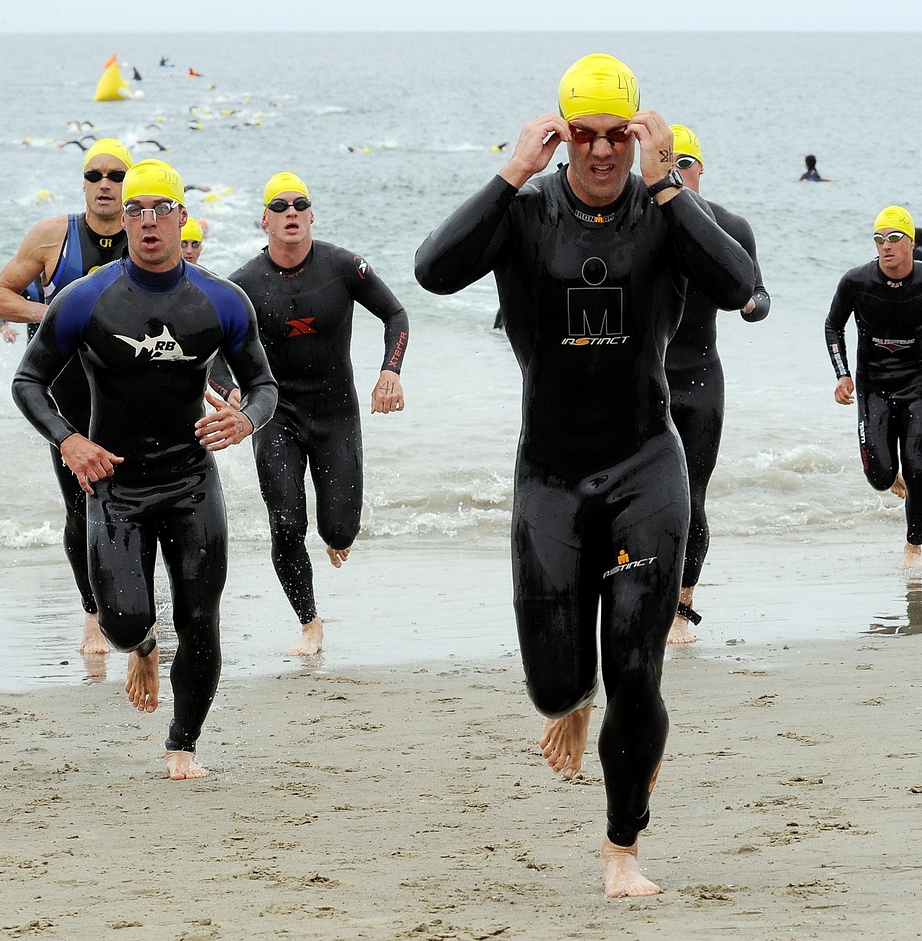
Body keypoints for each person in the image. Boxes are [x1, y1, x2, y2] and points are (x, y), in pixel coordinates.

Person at [414, 53, 753, 898]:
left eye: (617, 134)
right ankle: (573, 699)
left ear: (636, 131)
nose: (602, 152)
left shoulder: (666, 211)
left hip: (645, 465)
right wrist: (509, 171)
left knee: (636, 667)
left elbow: (742, 284)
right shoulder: (526, 214)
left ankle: (621, 849)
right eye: (584, 135)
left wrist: (668, 180)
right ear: (562, 135)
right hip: (551, 476)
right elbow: (431, 270)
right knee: (555, 682)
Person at [12, 158, 278, 779]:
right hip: (116, 484)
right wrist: (69, 440)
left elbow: (263, 384)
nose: (148, 222)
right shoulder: (87, 299)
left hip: (190, 481)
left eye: (161, 210)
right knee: (125, 620)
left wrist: (246, 420)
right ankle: (143, 649)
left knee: (200, 618)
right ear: (123, 220)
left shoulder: (221, 300)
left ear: (182, 218)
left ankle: (182, 747)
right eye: (136, 210)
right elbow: (29, 380)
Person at [218, 172, 410, 658]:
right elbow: (212, 351)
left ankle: (335, 535)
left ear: (311, 215)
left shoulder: (344, 266)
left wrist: (390, 371)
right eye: (278, 207)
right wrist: (229, 391)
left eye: (298, 205)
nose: (290, 213)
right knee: (285, 523)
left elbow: (396, 315)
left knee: (340, 531)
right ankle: (310, 623)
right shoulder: (242, 284)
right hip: (275, 416)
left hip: (336, 414)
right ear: (264, 220)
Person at [0, 138, 134, 656]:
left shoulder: (147, 233)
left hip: (128, 393)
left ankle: (139, 604)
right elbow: (0, 296)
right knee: (81, 504)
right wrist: (51, 316)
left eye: (116, 175)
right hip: (66, 392)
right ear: (84, 183)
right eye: (94, 175)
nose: (104, 184)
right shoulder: (52, 235)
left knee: (138, 499)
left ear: (129, 184)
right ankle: (92, 615)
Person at [663, 125, 771, 645]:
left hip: (702, 378)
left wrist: (753, 304)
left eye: (686, 162)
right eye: (669, 163)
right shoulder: (647, 224)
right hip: (646, 380)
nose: (678, 172)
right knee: (638, 496)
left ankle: (683, 607)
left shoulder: (730, 227)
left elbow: (760, 295)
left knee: (693, 497)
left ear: (701, 169)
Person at [825, 205, 922, 570]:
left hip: (917, 385)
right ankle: (891, 477)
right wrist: (842, 375)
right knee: (880, 478)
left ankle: (913, 547)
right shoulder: (856, 282)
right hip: (873, 388)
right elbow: (832, 326)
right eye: (878, 239)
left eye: (893, 238)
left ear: (910, 243)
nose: (885, 246)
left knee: (918, 469)